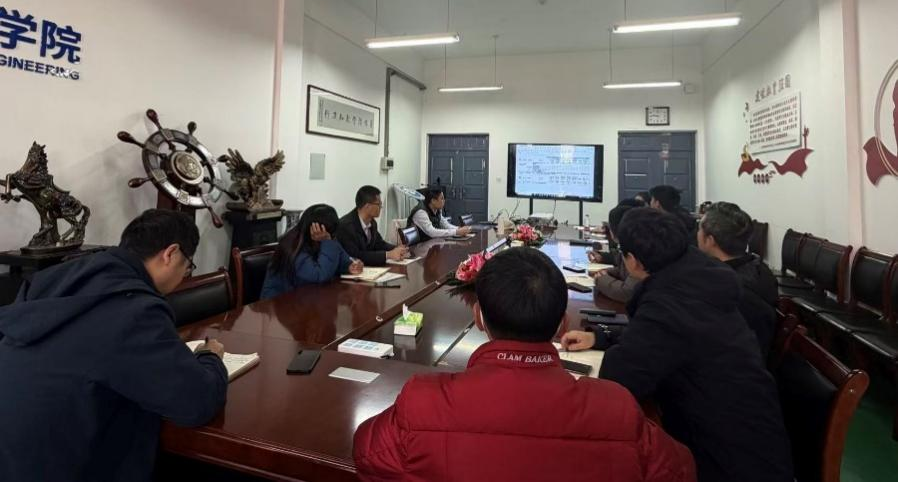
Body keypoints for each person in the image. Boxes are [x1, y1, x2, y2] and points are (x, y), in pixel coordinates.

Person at [354, 248, 696, 482]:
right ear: (562, 324)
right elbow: (681, 469)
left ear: (478, 318)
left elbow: (366, 452)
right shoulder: (617, 406)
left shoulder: (422, 399)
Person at [562, 208, 793, 482]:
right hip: (752, 440)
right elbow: (666, 340)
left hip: (722, 459)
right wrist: (602, 337)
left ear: (633, 261)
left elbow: (621, 377)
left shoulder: (668, 303)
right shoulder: (697, 279)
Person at [0, 209, 228, 481]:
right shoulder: (133, 307)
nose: (185, 276)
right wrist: (210, 356)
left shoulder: (56, 278)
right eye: (188, 267)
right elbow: (195, 402)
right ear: (171, 253)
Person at [698, 202, 778, 358]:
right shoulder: (760, 269)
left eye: (699, 228)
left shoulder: (723, 288)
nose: (697, 233)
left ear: (710, 240)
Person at [261, 204, 364, 300]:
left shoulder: (327, 239)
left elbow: (343, 260)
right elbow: (319, 276)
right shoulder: (293, 246)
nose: (332, 238)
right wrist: (326, 241)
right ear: (316, 229)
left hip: (307, 299)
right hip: (280, 303)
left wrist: (351, 265)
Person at [336, 186, 408, 267]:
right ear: (367, 206)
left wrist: (397, 249)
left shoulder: (372, 222)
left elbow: (379, 244)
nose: (381, 207)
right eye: (378, 204)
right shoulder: (346, 226)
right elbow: (356, 255)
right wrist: (388, 255)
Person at [591, 200, 641, 303]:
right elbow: (625, 271)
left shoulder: (639, 250)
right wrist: (608, 272)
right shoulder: (633, 244)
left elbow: (627, 292)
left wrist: (601, 280)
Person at [407, 187, 471, 242]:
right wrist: (457, 231)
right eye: (442, 198)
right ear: (433, 201)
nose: (444, 201)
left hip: (432, 243)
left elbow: (445, 225)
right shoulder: (421, 212)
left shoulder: (436, 209)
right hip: (419, 247)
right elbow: (432, 232)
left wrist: (460, 229)